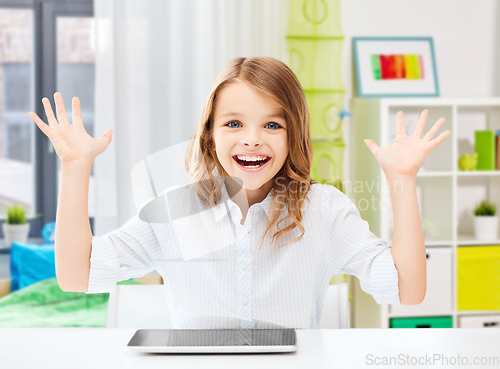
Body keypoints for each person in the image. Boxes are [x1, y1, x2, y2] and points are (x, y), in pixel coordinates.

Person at [29, 56, 451, 329]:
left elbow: (407, 289)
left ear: (293, 138)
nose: (252, 140)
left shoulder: (324, 209)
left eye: (272, 125)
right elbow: (75, 274)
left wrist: (403, 180)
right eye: (233, 124)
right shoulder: (174, 209)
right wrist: (75, 167)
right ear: (210, 137)